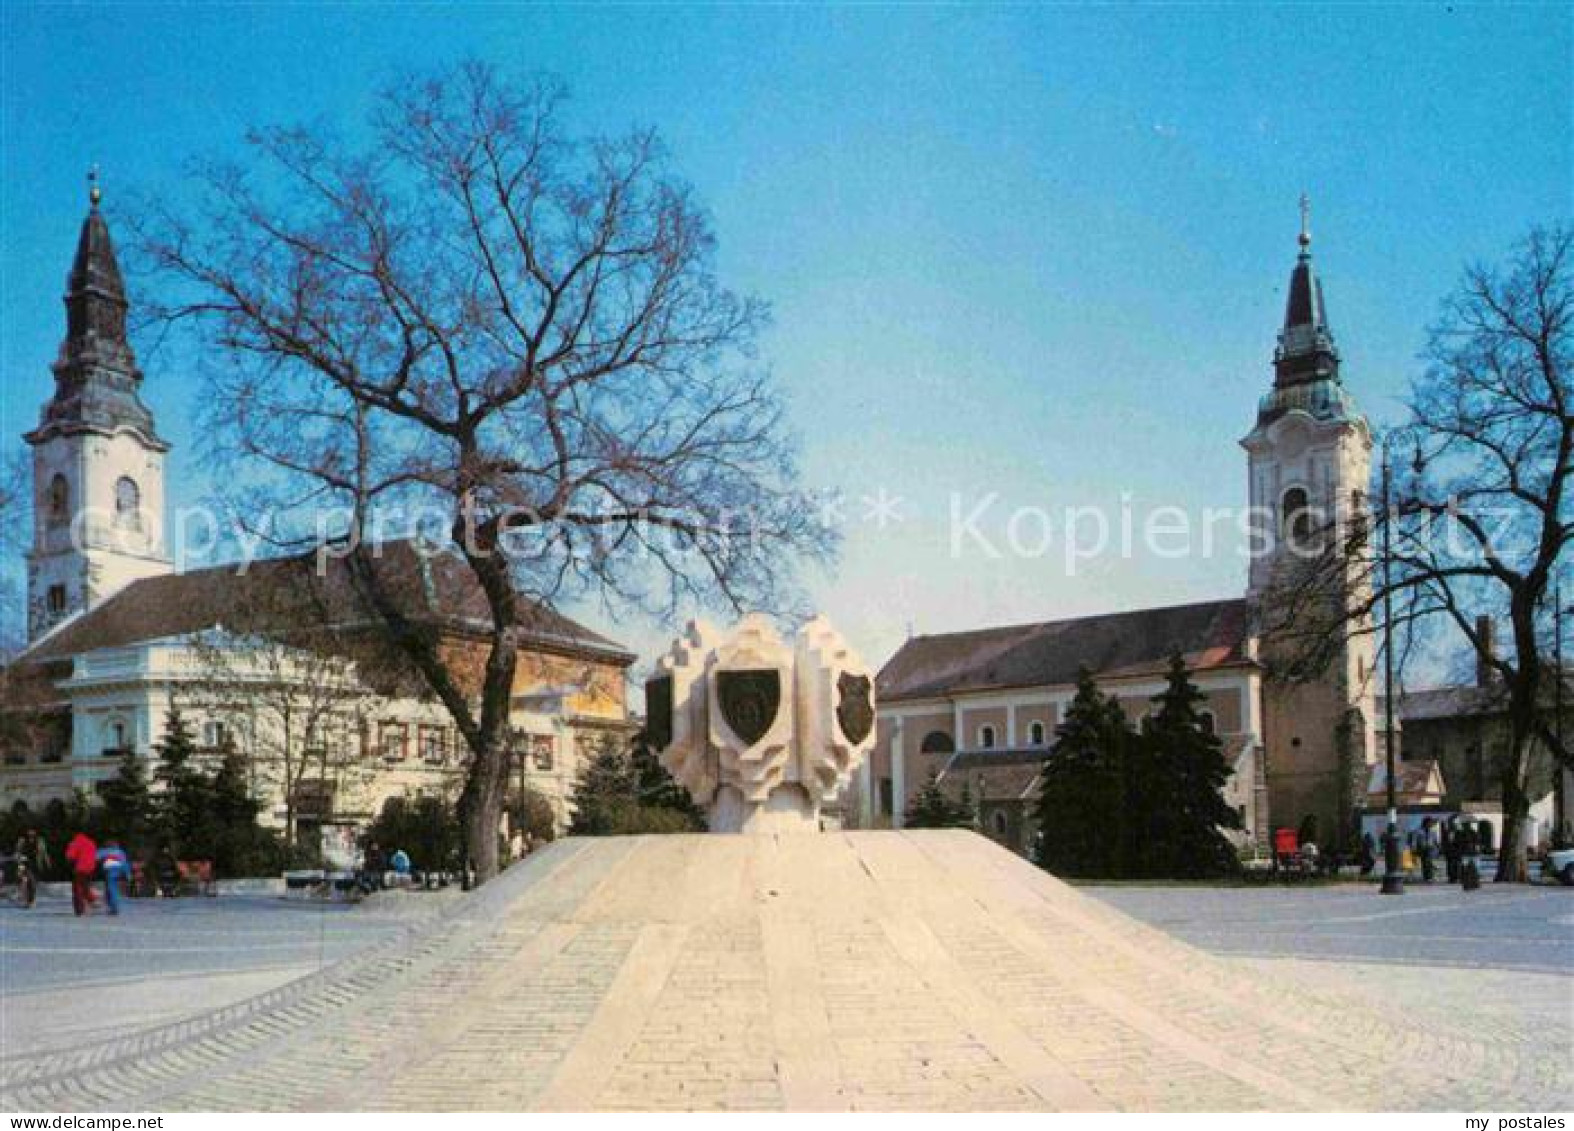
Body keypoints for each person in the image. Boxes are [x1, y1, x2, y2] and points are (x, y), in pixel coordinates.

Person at [64, 830, 99, 916]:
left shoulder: (75, 843)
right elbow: (95, 855)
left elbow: (70, 856)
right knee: (85, 885)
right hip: (91, 868)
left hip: (80, 868)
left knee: (77, 888)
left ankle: (80, 909)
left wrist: (70, 862)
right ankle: (92, 899)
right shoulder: (91, 842)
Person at [97, 839, 130, 916]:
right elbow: (125, 863)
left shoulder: (105, 851)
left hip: (110, 871)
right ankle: (113, 906)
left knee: (111, 889)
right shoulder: (120, 852)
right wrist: (127, 873)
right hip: (118, 871)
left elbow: (96, 857)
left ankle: (114, 907)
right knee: (112, 888)